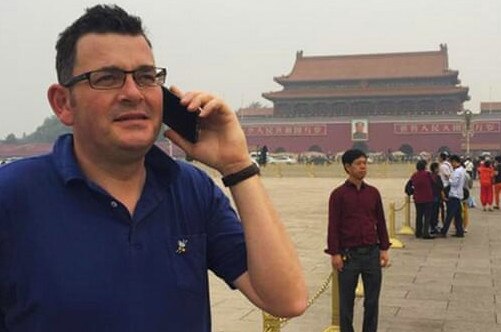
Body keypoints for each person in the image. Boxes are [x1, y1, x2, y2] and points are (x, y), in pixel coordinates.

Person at [0, 5, 307, 331]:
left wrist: (238, 166)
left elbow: (286, 300)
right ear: (63, 103)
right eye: (107, 78)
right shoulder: (13, 194)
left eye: (146, 77)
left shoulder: (191, 190)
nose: (133, 93)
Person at [326, 149, 390, 332]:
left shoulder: (373, 193)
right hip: (348, 256)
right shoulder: (338, 195)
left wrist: (384, 248)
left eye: (365, 163)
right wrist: (335, 253)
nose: (363, 167)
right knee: (346, 303)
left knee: (372, 302)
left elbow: (381, 221)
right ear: (347, 167)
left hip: (371, 253)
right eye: (358, 164)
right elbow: (333, 226)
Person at [439, 155, 466, 238]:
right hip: (459, 195)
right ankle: (459, 231)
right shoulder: (462, 170)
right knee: (458, 215)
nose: (451, 164)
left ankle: (444, 231)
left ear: (455, 161)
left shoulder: (457, 171)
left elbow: (454, 183)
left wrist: (450, 180)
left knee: (449, 215)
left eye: (451, 162)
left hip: (454, 195)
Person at [410, 160, 435, 239]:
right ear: (424, 166)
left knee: (419, 216)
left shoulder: (414, 175)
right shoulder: (427, 174)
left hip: (417, 198)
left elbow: (412, 184)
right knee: (427, 216)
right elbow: (433, 183)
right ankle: (425, 233)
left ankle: (418, 232)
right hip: (427, 198)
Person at [429, 162, 444, 235]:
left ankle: (431, 226)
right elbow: (441, 187)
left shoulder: (429, 176)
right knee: (435, 212)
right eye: (438, 168)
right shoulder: (437, 177)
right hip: (436, 197)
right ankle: (433, 227)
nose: (439, 169)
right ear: (435, 169)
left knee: (431, 212)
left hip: (430, 197)